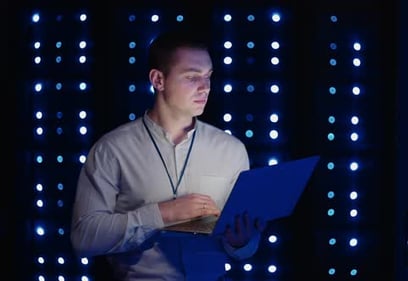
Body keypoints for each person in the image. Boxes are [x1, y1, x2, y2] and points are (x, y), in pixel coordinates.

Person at [70, 29, 266, 281]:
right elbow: (84, 237)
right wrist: (163, 214)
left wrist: (241, 242)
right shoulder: (112, 149)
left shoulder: (231, 149)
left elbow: (242, 249)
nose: (205, 87)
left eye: (208, 76)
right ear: (158, 80)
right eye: (192, 77)